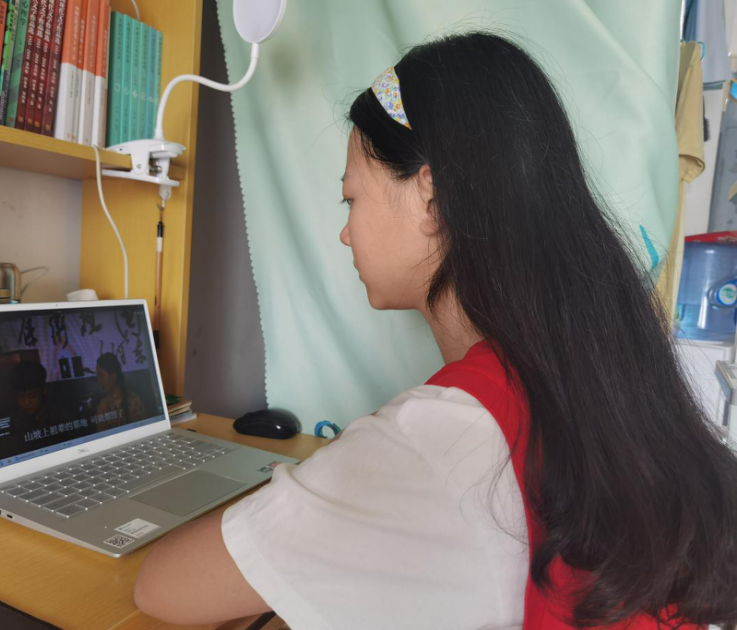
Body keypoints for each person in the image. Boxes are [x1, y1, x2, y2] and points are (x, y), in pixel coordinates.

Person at [132, 33, 737, 628]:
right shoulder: (599, 375)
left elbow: (162, 588)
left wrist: (302, 498)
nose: (345, 231)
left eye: (351, 199)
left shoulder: (447, 437)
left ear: (431, 198)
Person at [95, 352, 146, 425]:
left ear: (113, 376)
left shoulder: (135, 402)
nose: (98, 381)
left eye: (100, 375)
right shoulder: (102, 408)